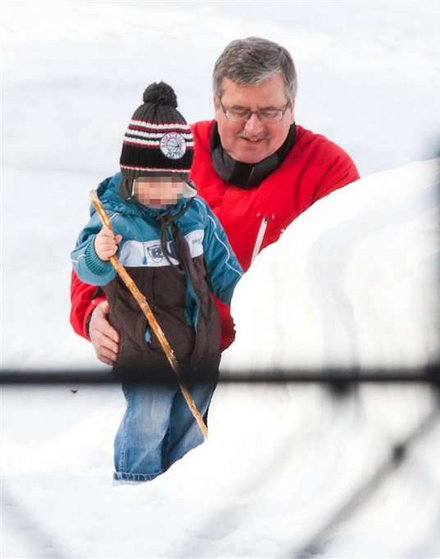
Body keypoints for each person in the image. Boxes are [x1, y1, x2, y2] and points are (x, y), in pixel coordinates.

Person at [70, 37, 360, 363]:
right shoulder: (172, 151)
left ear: (292, 106)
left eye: (270, 111)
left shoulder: (328, 170)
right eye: (238, 110)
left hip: (272, 362)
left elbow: (353, 277)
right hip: (167, 355)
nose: (253, 127)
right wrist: (92, 312)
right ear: (216, 104)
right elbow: (107, 229)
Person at [71, 82, 243, 482]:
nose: (167, 192)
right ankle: (136, 479)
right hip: (147, 350)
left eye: (175, 181)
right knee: (149, 415)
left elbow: (224, 269)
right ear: (132, 175)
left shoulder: (195, 214)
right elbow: (85, 269)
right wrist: (100, 253)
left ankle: (179, 480)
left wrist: (251, 300)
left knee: (192, 415)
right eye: (155, 182)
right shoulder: (114, 219)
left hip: (200, 344)